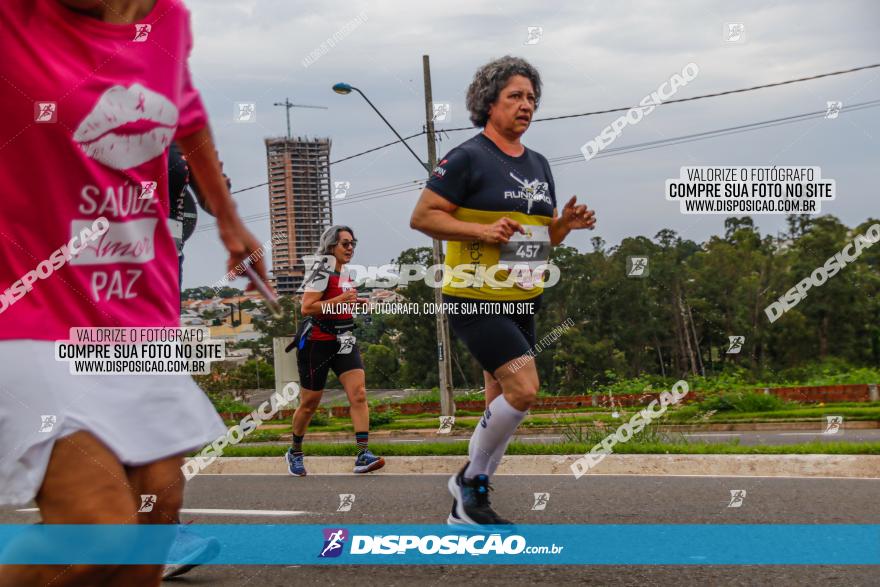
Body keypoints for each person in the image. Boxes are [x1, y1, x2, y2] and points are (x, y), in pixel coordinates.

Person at [0, 1, 270, 585]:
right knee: (97, 532)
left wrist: (228, 219)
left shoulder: (166, 19)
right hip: (32, 312)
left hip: (135, 314)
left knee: (157, 513)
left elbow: (188, 115)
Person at [410, 55, 596, 526]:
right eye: (515, 96)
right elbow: (423, 216)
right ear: (488, 102)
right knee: (524, 389)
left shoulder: (538, 164)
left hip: (521, 298)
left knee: (501, 401)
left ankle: (470, 501)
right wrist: (482, 231)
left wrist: (562, 228)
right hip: (474, 296)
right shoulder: (466, 157)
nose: (526, 105)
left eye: (531, 97)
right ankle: (469, 482)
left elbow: (533, 239)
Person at [285, 226, 385, 476]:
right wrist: (340, 300)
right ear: (331, 247)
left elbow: (338, 303)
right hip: (317, 343)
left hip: (344, 339)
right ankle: (295, 451)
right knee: (309, 403)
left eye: (353, 243)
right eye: (345, 244)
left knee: (359, 394)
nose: (351, 248)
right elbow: (307, 308)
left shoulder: (345, 273)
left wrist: (356, 301)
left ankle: (363, 455)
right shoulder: (321, 272)